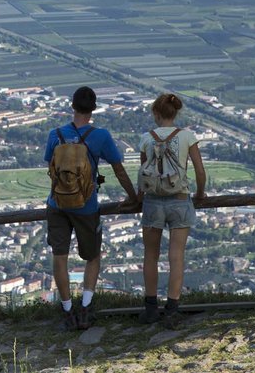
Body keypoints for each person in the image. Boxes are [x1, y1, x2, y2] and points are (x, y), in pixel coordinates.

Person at [44, 85, 138, 331]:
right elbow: (119, 170)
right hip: (86, 206)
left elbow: (51, 168)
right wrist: (133, 197)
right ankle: (85, 308)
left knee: (59, 256)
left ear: (72, 106)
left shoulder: (55, 134)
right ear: (93, 109)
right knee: (93, 256)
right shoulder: (101, 136)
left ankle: (67, 310)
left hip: (57, 204)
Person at [137, 92, 207, 328]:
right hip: (180, 199)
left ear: (156, 114)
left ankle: (150, 308)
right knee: (176, 256)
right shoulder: (187, 136)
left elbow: (144, 174)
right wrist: (200, 193)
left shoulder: (146, 139)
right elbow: (199, 171)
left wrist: (138, 199)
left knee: (151, 255)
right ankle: (172, 309)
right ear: (175, 113)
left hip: (152, 201)